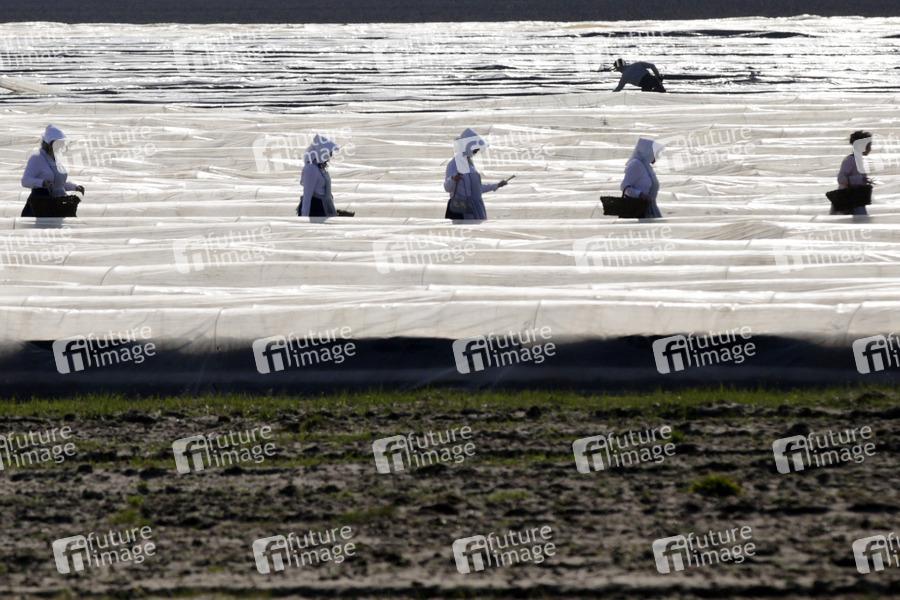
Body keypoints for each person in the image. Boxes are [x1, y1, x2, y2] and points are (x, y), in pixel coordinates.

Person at [443, 128, 509, 220]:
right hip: (461, 209)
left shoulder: (470, 164)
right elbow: (447, 187)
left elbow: (476, 189)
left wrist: (496, 185)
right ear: (468, 146)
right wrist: (453, 179)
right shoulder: (454, 164)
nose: (478, 150)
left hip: (474, 208)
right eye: (475, 147)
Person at [20, 124, 85, 217]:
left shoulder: (55, 160)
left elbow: (58, 184)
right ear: (49, 144)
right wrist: (42, 183)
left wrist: (75, 187)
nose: (60, 146)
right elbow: (25, 181)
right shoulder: (37, 158)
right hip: (41, 205)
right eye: (57, 143)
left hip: (57, 204)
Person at [620, 138, 666, 218]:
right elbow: (624, 185)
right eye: (655, 153)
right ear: (648, 152)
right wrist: (640, 194)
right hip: (637, 209)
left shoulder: (647, 166)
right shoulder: (636, 165)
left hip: (649, 207)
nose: (657, 156)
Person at [832, 130, 873, 216]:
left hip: (855, 199)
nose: (870, 148)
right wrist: (860, 179)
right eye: (869, 145)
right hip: (849, 200)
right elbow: (841, 178)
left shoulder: (857, 160)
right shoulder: (850, 160)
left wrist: (864, 180)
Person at [298, 135, 339, 217]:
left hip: (324, 206)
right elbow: (307, 195)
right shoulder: (311, 168)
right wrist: (304, 217)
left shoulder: (321, 167)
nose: (329, 155)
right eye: (328, 152)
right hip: (316, 208)